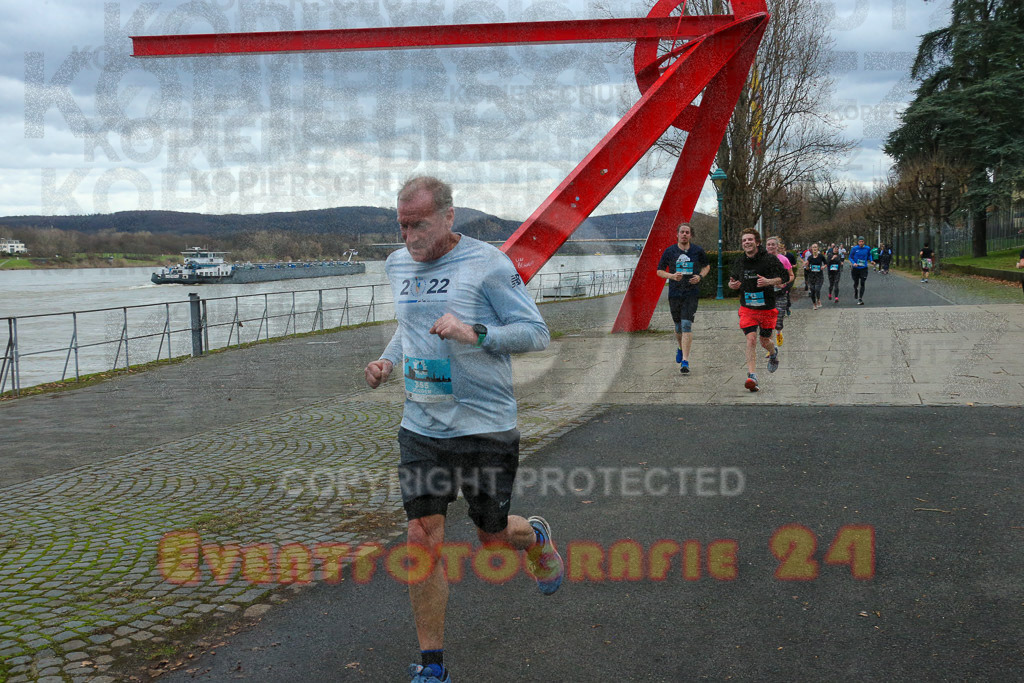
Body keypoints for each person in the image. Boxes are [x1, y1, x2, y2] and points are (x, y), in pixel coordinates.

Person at [364, 177, 562, 683]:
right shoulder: (396, 264)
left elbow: (536, 334)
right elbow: (408, 328)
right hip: (422, 425)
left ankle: (534, 535)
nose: (410, 237)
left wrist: (476, 332)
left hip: (485, 428)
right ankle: (433, 664)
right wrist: (387, 363)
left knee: (491, 538)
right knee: (421, 535)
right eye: (403, 226)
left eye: (420, 225)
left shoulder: (489, 265)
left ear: (449, 218)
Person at [728, 229, 786, 392]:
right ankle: (752, 375)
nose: (746, 242)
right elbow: (733, 280)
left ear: (757, 242)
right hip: (748, 308)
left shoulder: (769, 259)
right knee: (751, 339)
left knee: (764, 341)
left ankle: (773, 352)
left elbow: (785, 277)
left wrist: (769, 281)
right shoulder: (739, 261)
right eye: (744, 240)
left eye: (750, 240)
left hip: (767, 308)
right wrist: (732, 285)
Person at [656, 222, 710, 374]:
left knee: (687, 325)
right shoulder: (670, 251)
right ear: (677, 234)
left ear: (690, 235)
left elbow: (706, 266)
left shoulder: (697, 250)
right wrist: (671, 276)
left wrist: (699, 276)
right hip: (674, 294)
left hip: (691, 293)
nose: (684, 234)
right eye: (682, 232)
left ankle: (685, 361)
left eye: (687, 232)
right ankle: (680, 347)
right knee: (678, 326)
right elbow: (659, 271)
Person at [765, 236, 794, 346]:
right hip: (767, 294)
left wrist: (784, 282)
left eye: (773, 244)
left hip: (781, 293)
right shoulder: (762, 260)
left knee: (778, 318)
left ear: (777, 246)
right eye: (769, 244)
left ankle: (779, 332)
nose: (771, 246)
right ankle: (770, 344)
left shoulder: (783, 259)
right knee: (767, 321)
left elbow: (791, 275)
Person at [848, 237, 872, 305]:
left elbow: (869, 255)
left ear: (864, 242)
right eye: (860, 242)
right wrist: (853, 263)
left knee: (862, 283)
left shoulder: (867, 248)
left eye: (862, 241)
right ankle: (855, 290)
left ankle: (860, 298)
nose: (861, 243)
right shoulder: (854, 249)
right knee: (856, 283)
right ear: (858, 242)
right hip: (855, 269)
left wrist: (871, 260)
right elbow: (850, 257)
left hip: (863, 268)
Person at [805, 243, 827, 309]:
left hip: (819, 276)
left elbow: (826, 263)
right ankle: (814, 304)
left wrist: (823, 267)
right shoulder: (810, 257)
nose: (814, 248)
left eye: (816, 247)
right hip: (811, 276)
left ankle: (818, 299)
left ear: (818, 248)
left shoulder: (821, 256)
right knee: (812, 290)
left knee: (817, 289)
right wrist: (806, 265)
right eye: (813, 247)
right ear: (811, 249)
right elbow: (807, 268)